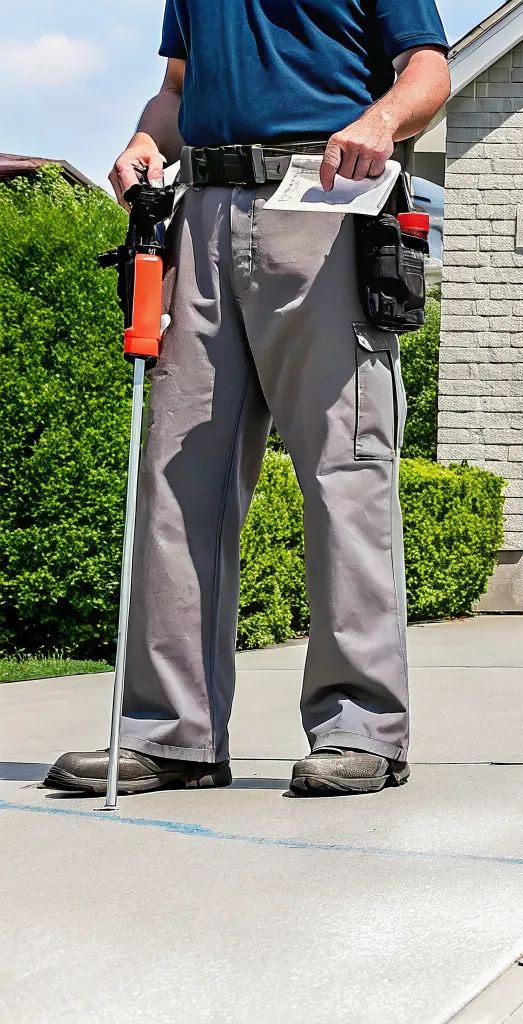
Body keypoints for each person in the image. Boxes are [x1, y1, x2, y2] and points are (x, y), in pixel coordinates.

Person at [45, 0, 451, 796]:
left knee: (345, 474)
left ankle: (361, 729)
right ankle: (172, 736)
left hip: (326, 204)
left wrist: (380, 122)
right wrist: (143, 139)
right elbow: (175, 88)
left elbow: (427, 73)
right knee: (176, 484)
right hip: (199, 214)